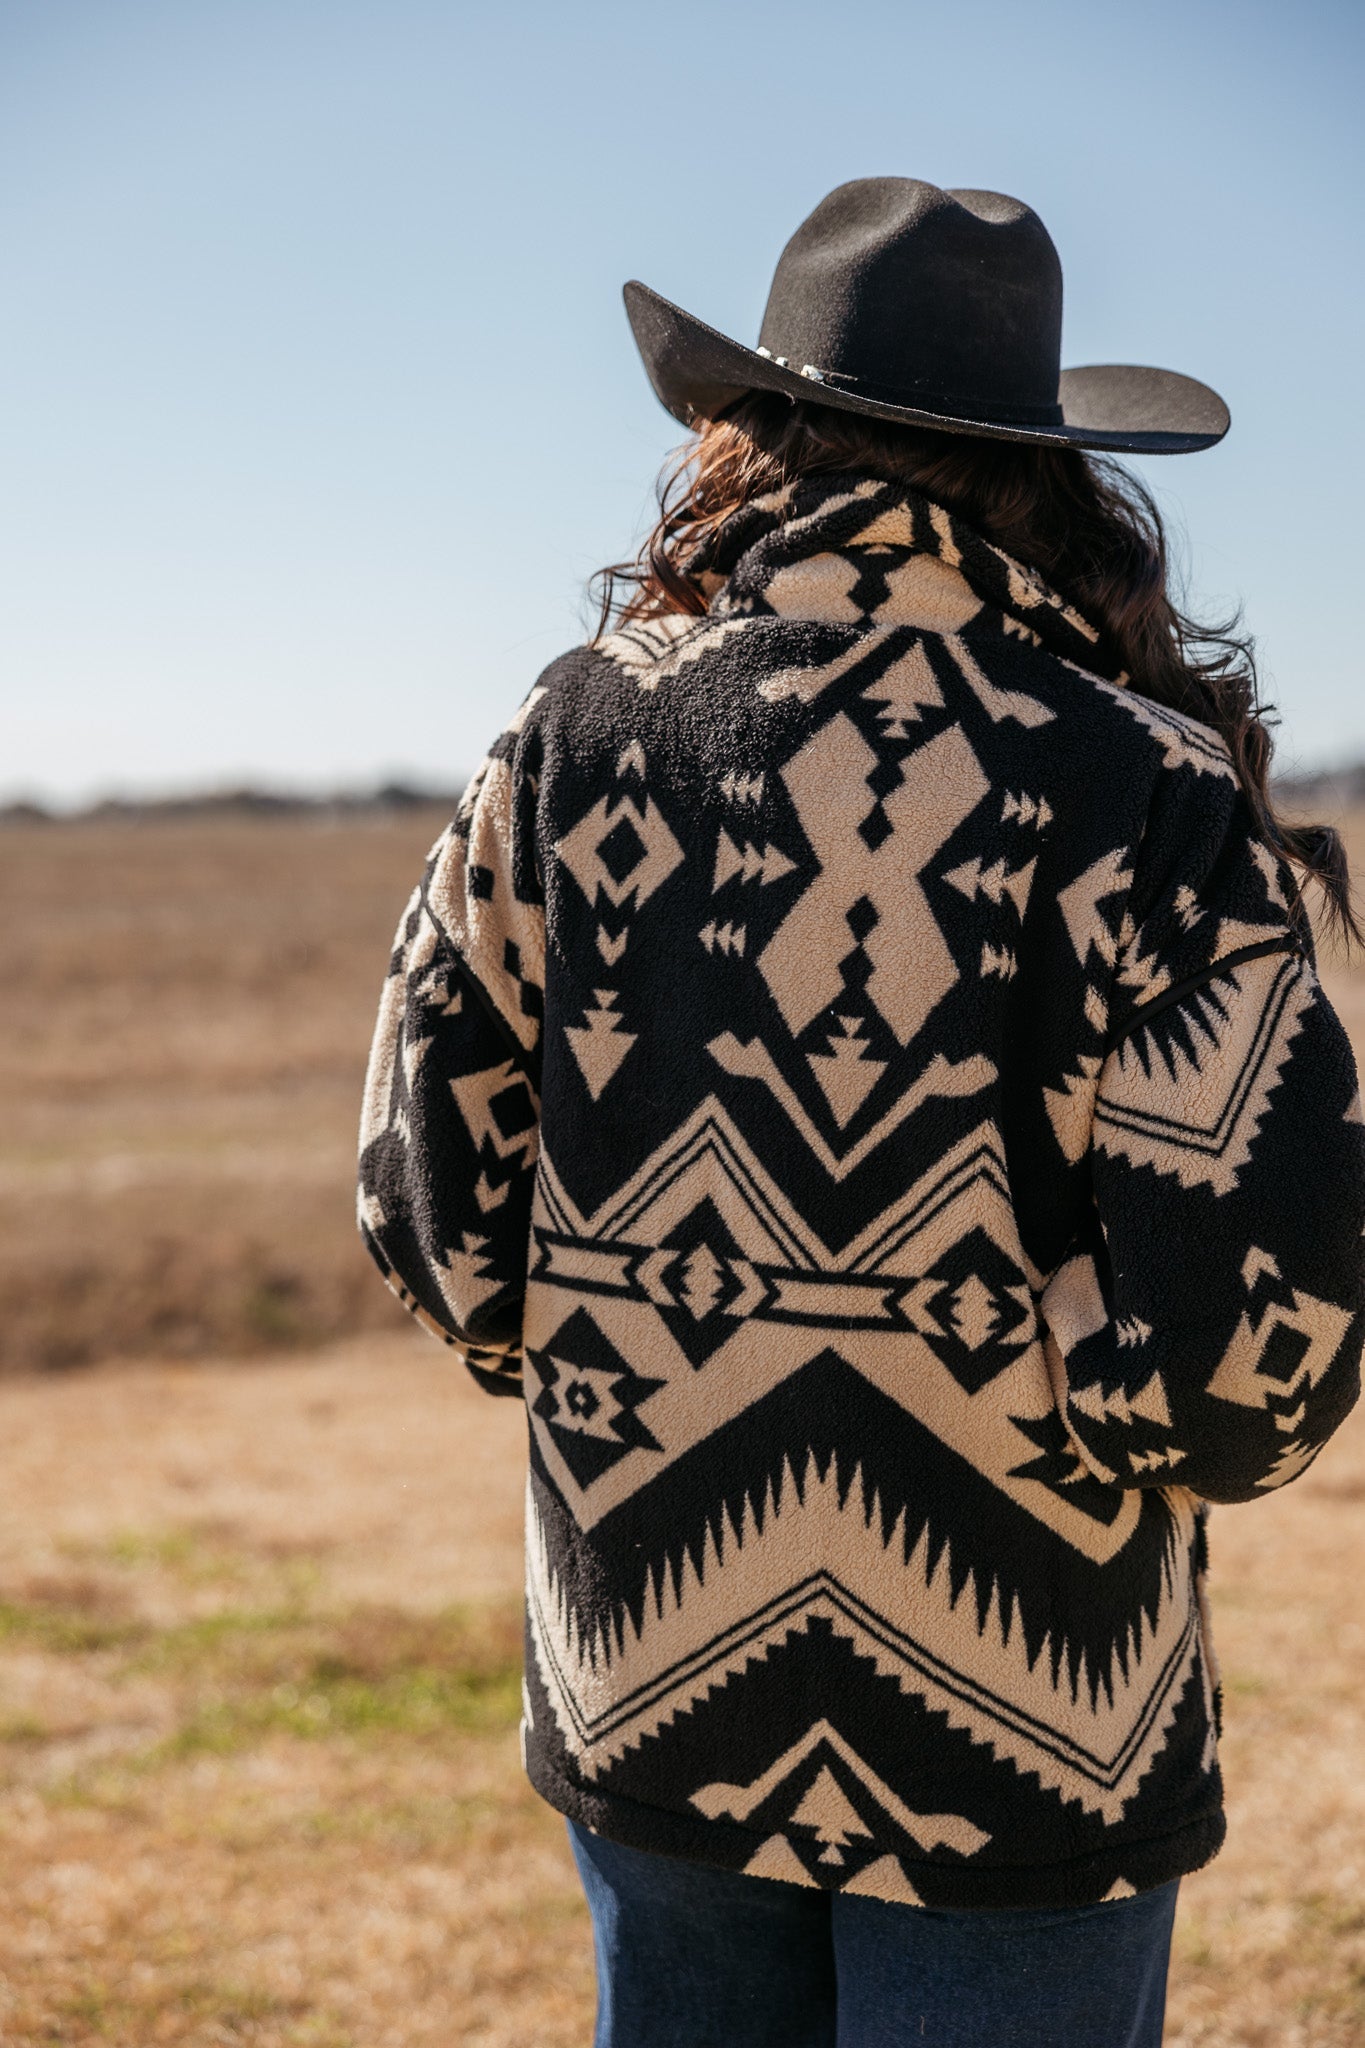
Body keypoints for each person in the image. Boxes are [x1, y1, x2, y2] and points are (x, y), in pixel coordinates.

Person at [357, 179, 1365, 2046]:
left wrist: (626, 1349)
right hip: (1027, 1695)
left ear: (749, 441)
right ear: (1053, 473)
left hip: (647, 1649)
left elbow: (430, 1198)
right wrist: (1051, 1377)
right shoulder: (1137, 786)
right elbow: (1257, 1352)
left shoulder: (571, 735)